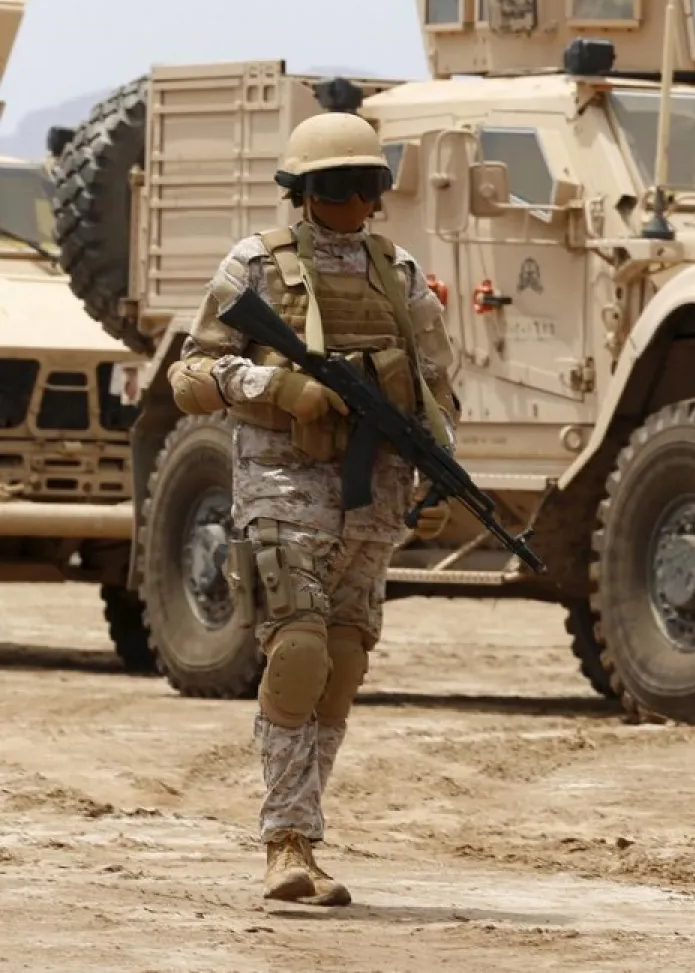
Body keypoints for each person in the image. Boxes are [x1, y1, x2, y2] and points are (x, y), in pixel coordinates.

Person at [166, 111, 460, 905]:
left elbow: (435, 385)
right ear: (302, 191)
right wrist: (280, 386)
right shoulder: (255, 266)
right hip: (282, 485)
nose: (352, 199)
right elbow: (191, 374)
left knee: (342, 664)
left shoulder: (398, 273)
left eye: (365, 184)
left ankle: (307, 831)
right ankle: (285, 842)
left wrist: (440, 473)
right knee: (297, 653)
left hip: (374, 494)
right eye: (336, 185)